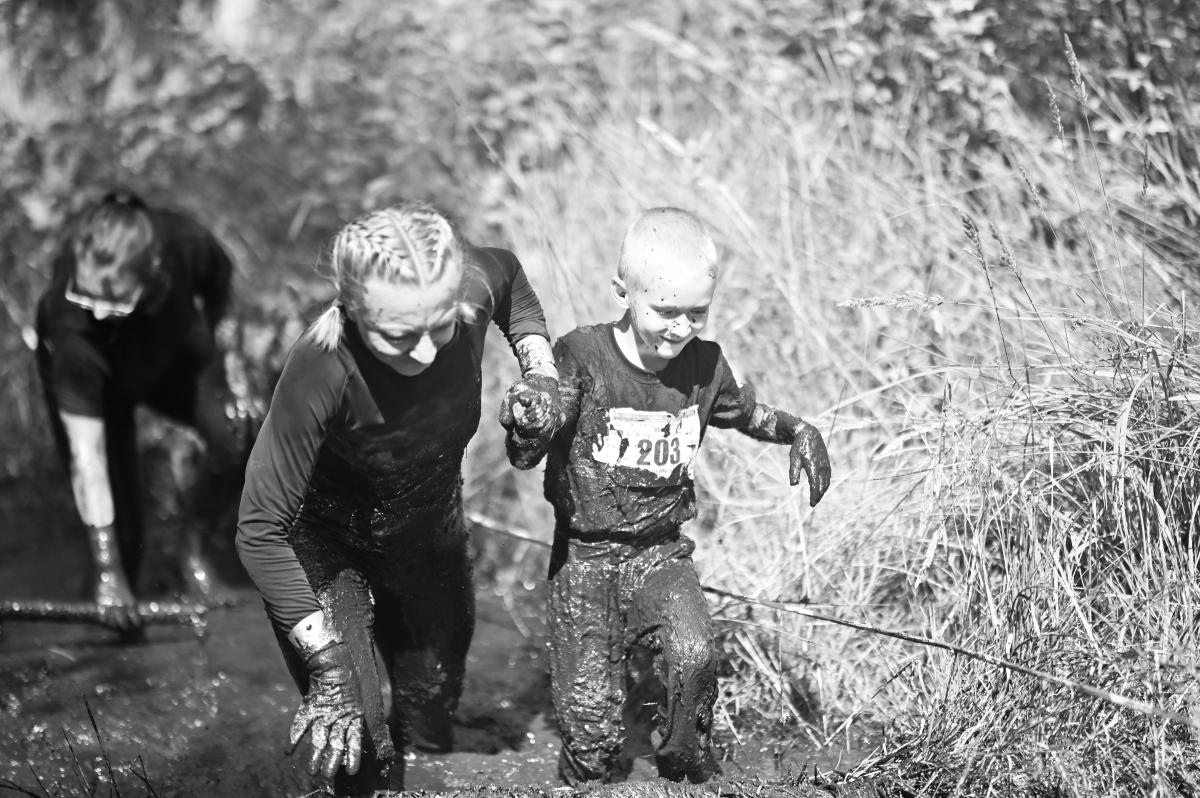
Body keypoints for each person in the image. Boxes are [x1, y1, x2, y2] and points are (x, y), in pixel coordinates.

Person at [235, 202, 561, 796]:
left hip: (429, 543)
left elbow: (512, 278)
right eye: (398, 336)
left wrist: (541, 374)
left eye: (441, 326)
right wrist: (326, 663)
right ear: (353, 308)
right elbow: (260, 529)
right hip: (328, 553)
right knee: (362, 749)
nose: (426, 352)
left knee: (431, 723)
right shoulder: (321, 368)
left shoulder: (472, 288)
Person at [501, 207, 832, 785]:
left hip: (660, 553)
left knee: (695, 654)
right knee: (594, 743)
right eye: (665, 312)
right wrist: (529, 421)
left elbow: (746, 413)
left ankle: (684, 762)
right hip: (586, 561)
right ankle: (585, 770)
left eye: (696, 314)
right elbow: (529, 449)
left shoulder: (705, 365)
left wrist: (798, 430)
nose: (681, 328)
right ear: (623, 294)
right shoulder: (582, 356)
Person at [35, 189, 248, 637]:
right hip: (99, 384)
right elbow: (88, 458)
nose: (97, 310)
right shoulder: (71, 324)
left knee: (238, 430)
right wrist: (107, 569)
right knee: (124, 538)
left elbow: (221, 292)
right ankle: (113, 626)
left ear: (153, 270)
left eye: (113, 299)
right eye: (88, 295)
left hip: (167, 349)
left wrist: (232, 369)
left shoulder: (185, 244)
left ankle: (191, 550)